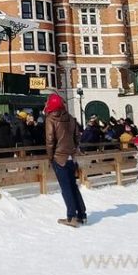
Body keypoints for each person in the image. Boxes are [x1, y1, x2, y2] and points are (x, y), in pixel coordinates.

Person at [44, 93, 86, 227]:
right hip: (70, 156)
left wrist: (50, 157)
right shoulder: (71, 118)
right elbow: (77, 137)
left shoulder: (51, 119)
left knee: (66, 187)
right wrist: (73, 151)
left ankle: (71, 216)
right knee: (73, 185)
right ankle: (81, 214)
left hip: (59, 156)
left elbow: (50, 140)